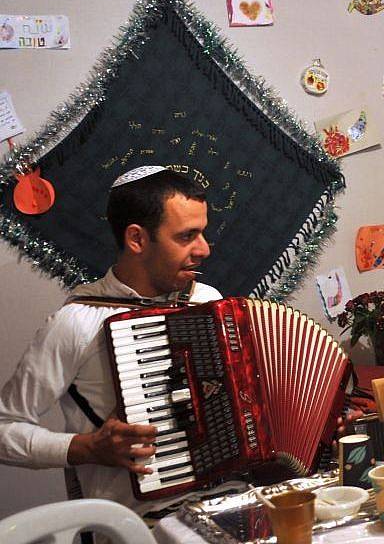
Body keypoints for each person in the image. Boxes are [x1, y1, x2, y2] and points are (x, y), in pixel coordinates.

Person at [0, 166, 223, 517]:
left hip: (226, 504)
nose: (205, 249)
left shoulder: (207, 301)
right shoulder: (75, 323)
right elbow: (3, 429)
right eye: (186, 236)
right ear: (137, 239)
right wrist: (87, 448)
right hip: (133, 527)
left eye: (203, 233)